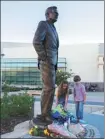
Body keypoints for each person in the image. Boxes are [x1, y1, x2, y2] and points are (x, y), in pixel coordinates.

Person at [33, 6, 59, 125]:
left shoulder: (53, 28)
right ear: (48, 14)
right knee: (48, 88)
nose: (57, 14)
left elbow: (55, 48)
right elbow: (36, 42)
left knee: (51, 88)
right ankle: (45, 115)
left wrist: (54, 63)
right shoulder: (43, 24)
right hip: (47, 61)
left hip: (52, 63)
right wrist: (44, 58)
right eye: (55, 12)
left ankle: (46, 112)